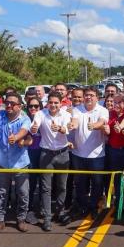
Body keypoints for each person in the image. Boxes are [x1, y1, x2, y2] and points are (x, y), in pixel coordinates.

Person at [0, 92, 32, 235]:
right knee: (1, 192)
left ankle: (21, 219)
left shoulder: (25, 118)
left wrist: (16, 137)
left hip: (20, 163)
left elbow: (24, 130)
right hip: (2, 162)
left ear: (20, 106)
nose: (8, 105)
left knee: (22, 193)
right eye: (7, 102)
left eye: (12, 104)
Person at [31, 91, 73, 230]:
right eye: (51, 102)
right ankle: (47, 218)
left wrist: (61, 129)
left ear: (60, 104)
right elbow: (34, 125)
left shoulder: (66, 114)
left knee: (62, 186)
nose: (53, 105)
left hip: (63, 153)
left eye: (56, 103)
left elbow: (68, 128)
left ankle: (60, 211)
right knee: (46, 188)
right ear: (47, 103)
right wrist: (34, 127)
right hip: (46, 154)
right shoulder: (41, 113)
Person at [71, 87, 110, 219]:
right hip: (78, 154)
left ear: (97, 98)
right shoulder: (77, 109)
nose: (88, 97)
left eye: (92, 95)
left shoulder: (103, 110)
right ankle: (83, 206)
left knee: (97, 183)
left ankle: (94, 206)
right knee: (80, 183)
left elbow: (102, 122)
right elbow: (75, 122)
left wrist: (94, 125)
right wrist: (73, 125)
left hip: (97, 155)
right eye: (86, 95)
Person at [25, 96, 43, 224]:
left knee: (44, 182)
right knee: (30, 183)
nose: (33, 108)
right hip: (29, 154)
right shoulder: (24, 120)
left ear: (40, 107)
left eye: (36, 106)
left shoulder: (44, 118)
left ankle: (42, 207)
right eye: (30, 106)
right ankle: (28, 209)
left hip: (43, 153)